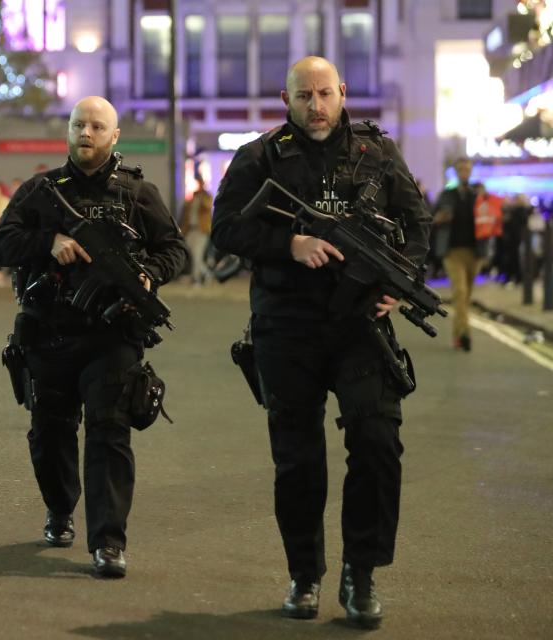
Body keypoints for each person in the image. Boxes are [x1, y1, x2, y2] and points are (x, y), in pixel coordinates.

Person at [210, 57, 430, 629]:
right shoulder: (258, 157)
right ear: (286, 99)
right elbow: (225, 227)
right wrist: (291, 244)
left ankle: (362, 572)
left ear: (342, 93)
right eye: (304, 95)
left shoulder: (377, 152)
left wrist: (397, 285)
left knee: (378, 441)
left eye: (324, 93)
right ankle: (304, 574)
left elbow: (417, 224)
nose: (316, 104)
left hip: (361, 327)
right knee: (298, 458)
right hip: (287, 326)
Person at [0, 96, 187, 578]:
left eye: (97, 126)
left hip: (112, 333)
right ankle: (60, 509)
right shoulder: (41, 190)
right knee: (50, 433)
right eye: (79, 124)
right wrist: (47, 243)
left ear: (114, 135)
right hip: (48, 329)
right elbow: (1, 243)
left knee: (109, 430)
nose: (86, 133)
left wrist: (149, 275)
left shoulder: (138, 193)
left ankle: (108, 540)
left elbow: (175, 249)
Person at [432, 158, 482, 351]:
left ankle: (457, 334)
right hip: (452, 252)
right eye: (461, 169)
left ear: (470, 171)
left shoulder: (476, 196)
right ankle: (465, 334)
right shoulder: (446, 195)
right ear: (456, 171)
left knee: (466, 296)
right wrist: (439, 219)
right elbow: (431, 218)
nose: (464, 172)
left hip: (474, 252)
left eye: (467, 169)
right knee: (460, 292)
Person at [178, 175, 213, 285]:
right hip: (191, 229)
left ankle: (196, 279)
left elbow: (207, 206)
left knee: (197, 254)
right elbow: (187, 214)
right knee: (192, 254)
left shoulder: (207, 196)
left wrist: (201, 195)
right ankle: (206, 274)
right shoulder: (193, 196)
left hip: (201, 230)